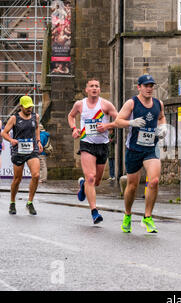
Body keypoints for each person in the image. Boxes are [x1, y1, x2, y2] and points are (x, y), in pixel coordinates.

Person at [114, 74, 167, 234]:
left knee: (154, 181)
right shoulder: (132, 103)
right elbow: (117, 121)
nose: (149, 88)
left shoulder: (158, 103)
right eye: (146, 86)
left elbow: (162, 117)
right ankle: (128, 215)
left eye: (151, 85)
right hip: (134, 149)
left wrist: (163, 127)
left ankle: (147, 217)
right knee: (132, 186)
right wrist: (131, 122)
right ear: (139, 87)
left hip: (151, 148)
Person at [67, 79, 118, 224]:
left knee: (95, 182)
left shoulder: (106, 105)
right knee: (90, 177)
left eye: (97, 86)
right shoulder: (80, 104)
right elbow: (71, 116)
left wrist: (107, 125)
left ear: (100, 90)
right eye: (92, 86)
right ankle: (94, 212)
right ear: (86, 89)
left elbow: (119, 119)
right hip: (86, 144)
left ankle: (83, 185)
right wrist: (74, 129)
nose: (94, 88)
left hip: (102, 145)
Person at [1, 96, 42, 215]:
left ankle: (30, 202)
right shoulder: (14, 118)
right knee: (17, 179)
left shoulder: (35, 116)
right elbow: (4, 133)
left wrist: (38, 141)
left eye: (31, 106)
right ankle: (12, 202)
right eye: (27, 106)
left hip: (32, 150)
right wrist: (11, 140)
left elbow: (37, 128)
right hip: (18, 151)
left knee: (36, 175)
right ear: (21, 107)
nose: (29, 108)